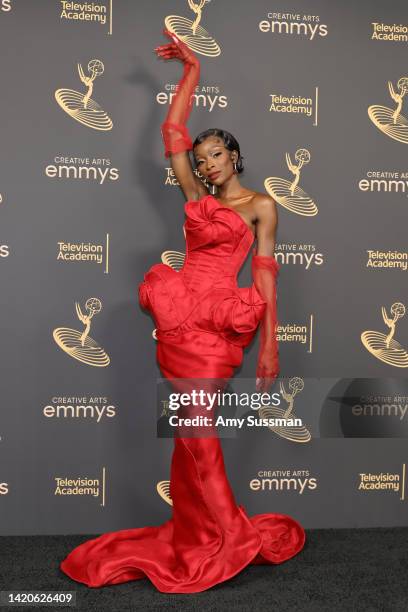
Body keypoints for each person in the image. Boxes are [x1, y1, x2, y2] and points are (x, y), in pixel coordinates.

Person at [59, 29, 306, 594]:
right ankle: (204, 534)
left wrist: (270, 344)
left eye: (216, 154)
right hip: (176, 321)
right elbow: (172, 135)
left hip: (218, 327)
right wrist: (189, 75)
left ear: (235, 154)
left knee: (199, 432)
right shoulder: (195, 199)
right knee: (190, 436)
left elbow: (266, 278)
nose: (207, 164)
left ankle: (228, 535)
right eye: (200, 159)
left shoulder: (263, 206)